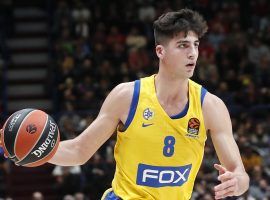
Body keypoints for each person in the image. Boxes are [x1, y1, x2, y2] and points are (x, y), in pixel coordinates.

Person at [0, 9, 249, 200]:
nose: (193, 53)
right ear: (160, 51)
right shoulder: (127, 97)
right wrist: (38, 151)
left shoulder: (210, 106)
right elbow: (79, 150)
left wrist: (239, 179)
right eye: (183, 46)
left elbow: (238, 170)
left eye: (195, 45)